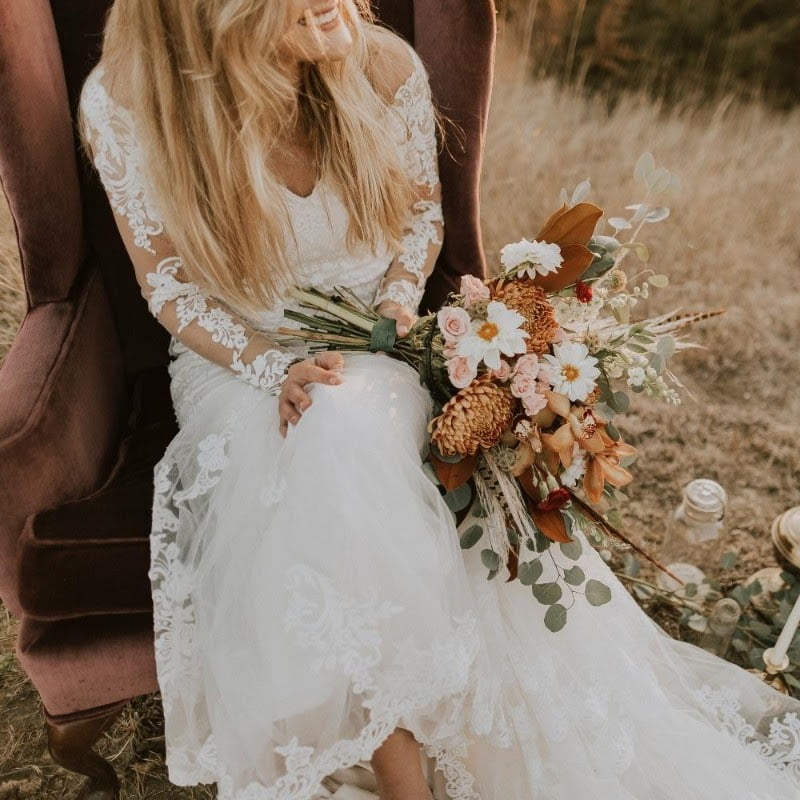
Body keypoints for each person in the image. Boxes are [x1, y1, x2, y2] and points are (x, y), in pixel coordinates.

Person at [77, 2, 800, 798]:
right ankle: (404, 780)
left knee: (348, 422)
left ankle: (402, 769)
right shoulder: (130, 100)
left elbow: (422, 214)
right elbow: (170, 284)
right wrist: (268, 367)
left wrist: (393, 305)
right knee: (327, 428)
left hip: (375, 348)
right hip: (239, 359)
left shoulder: (381, 65)